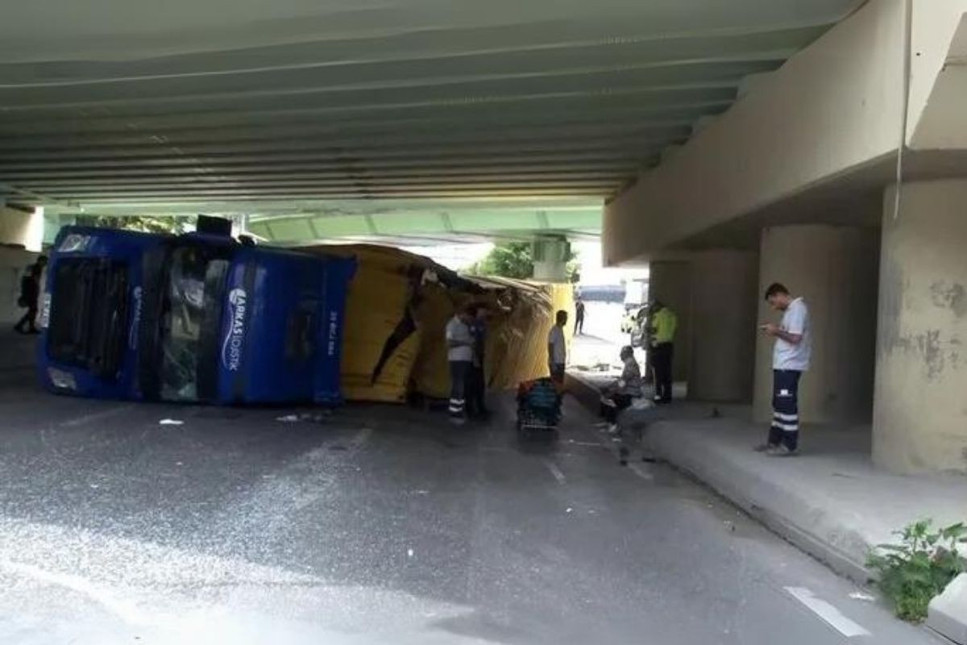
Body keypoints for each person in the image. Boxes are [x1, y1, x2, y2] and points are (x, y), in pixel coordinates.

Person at [756, 283, 811, 456]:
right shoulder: (790, 311)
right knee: (779, 402)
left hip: (790, 365)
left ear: (780, 295)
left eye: (773, 302)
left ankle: (788, 444)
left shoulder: (797, 310)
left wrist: (775, 331)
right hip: (783, 365)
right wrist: (777, 329)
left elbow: (795, 338)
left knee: (786, 403)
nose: (773, 307)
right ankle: (774, 441)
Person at [599, 345, 643, 433]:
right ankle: (608, 421)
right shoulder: (629, 363)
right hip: (627, 392)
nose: (620, 356)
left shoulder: (631, 365)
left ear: (626, 354)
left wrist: (611, 389)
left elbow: (623, 382)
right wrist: (611, 388)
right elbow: (621, 381)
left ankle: (613, 424)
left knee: (610, 399)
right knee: (607, 397)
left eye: (622, 354)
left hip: (631, 394)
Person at [445, 305, 475, 424]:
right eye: (468, 316)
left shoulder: (465, 325)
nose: (469, 319)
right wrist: (466, 343)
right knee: (458, 384)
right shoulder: (452, 325)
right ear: (462, 313)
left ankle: (459, 409)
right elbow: (449, 343)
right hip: (457, 359)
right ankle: (454, 411)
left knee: (462, 385)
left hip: (465, 359)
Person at [647, 299, 677, 404]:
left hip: (658, 347)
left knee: (657, 374)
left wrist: (648, 327)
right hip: (668, 346)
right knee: (667, 372)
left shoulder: (658, 315)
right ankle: (668, 396)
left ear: (656, 307)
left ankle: (658, 397)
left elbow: (653, 330)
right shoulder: (671, 315)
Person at [467, 305, 490, 419]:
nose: (486, 311)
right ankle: (470, 409)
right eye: (483, 309)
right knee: (473, 384)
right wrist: (475, 358)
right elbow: (472, 342)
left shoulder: (482, 324)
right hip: (473, 357)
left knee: (480, 384)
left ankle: (480, 407)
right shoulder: (473, 324)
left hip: (479, 356)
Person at [14, 257, 46, 335]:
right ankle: (20, 325)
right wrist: (38, 288)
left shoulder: (30, 267)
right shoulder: (38, 267)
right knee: (33, 309)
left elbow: (24, 278)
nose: (45, 263)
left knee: (33, 309)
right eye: (45, 261)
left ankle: (30, 327)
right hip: (31, 291)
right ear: (40, 261)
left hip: (27, 290)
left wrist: (24, 291)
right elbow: (36, 279)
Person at [547, 309, 568, 385]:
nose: (566, 320)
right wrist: (552, 362)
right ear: (561, 318)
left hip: (560, 361)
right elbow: (550, 346)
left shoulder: (560, 330)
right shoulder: (554, 331)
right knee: (556, 384)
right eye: (565, 318)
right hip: (556, 362)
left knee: (559, 384)